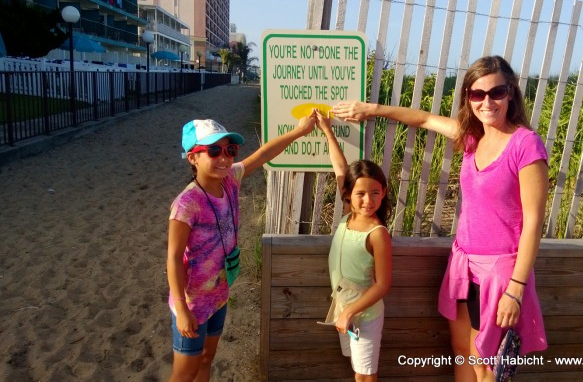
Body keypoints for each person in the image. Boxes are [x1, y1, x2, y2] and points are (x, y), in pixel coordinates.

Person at [332, 55, 548, 381]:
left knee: (485, 364)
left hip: (499, 273)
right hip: (464, 263)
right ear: (468, 97)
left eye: (496, 92)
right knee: (461, 349)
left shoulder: (525, 144)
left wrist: (515, 289)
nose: (487, 101)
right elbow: (422, 119)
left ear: (511, 93)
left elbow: (533, 222)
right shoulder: (473, 137)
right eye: (477, 94)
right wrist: (370, 109)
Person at [167, 116, 316, 381]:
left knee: (206, 359)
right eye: (213, 151)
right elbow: (174, 259)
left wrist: (299, 131)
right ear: (192, 158)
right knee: (184, 373)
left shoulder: (230, 180)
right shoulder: (186, 204)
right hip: (192, 302)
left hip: (219, 294)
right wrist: (182, 310)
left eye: (229, 150)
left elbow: (264, 153)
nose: (224, 158)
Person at [316, 109, 392, 381]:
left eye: (375, 193)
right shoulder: (348, 214)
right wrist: (327, 130)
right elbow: (340, 167)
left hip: (365, 315)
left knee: (365, 376)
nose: (368, 200)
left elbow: (383, 285)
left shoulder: (377, 233)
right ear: (348, 195)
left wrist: (350, 311)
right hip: (343, 309)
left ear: (383, 193)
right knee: (355, 368)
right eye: (360, 193)